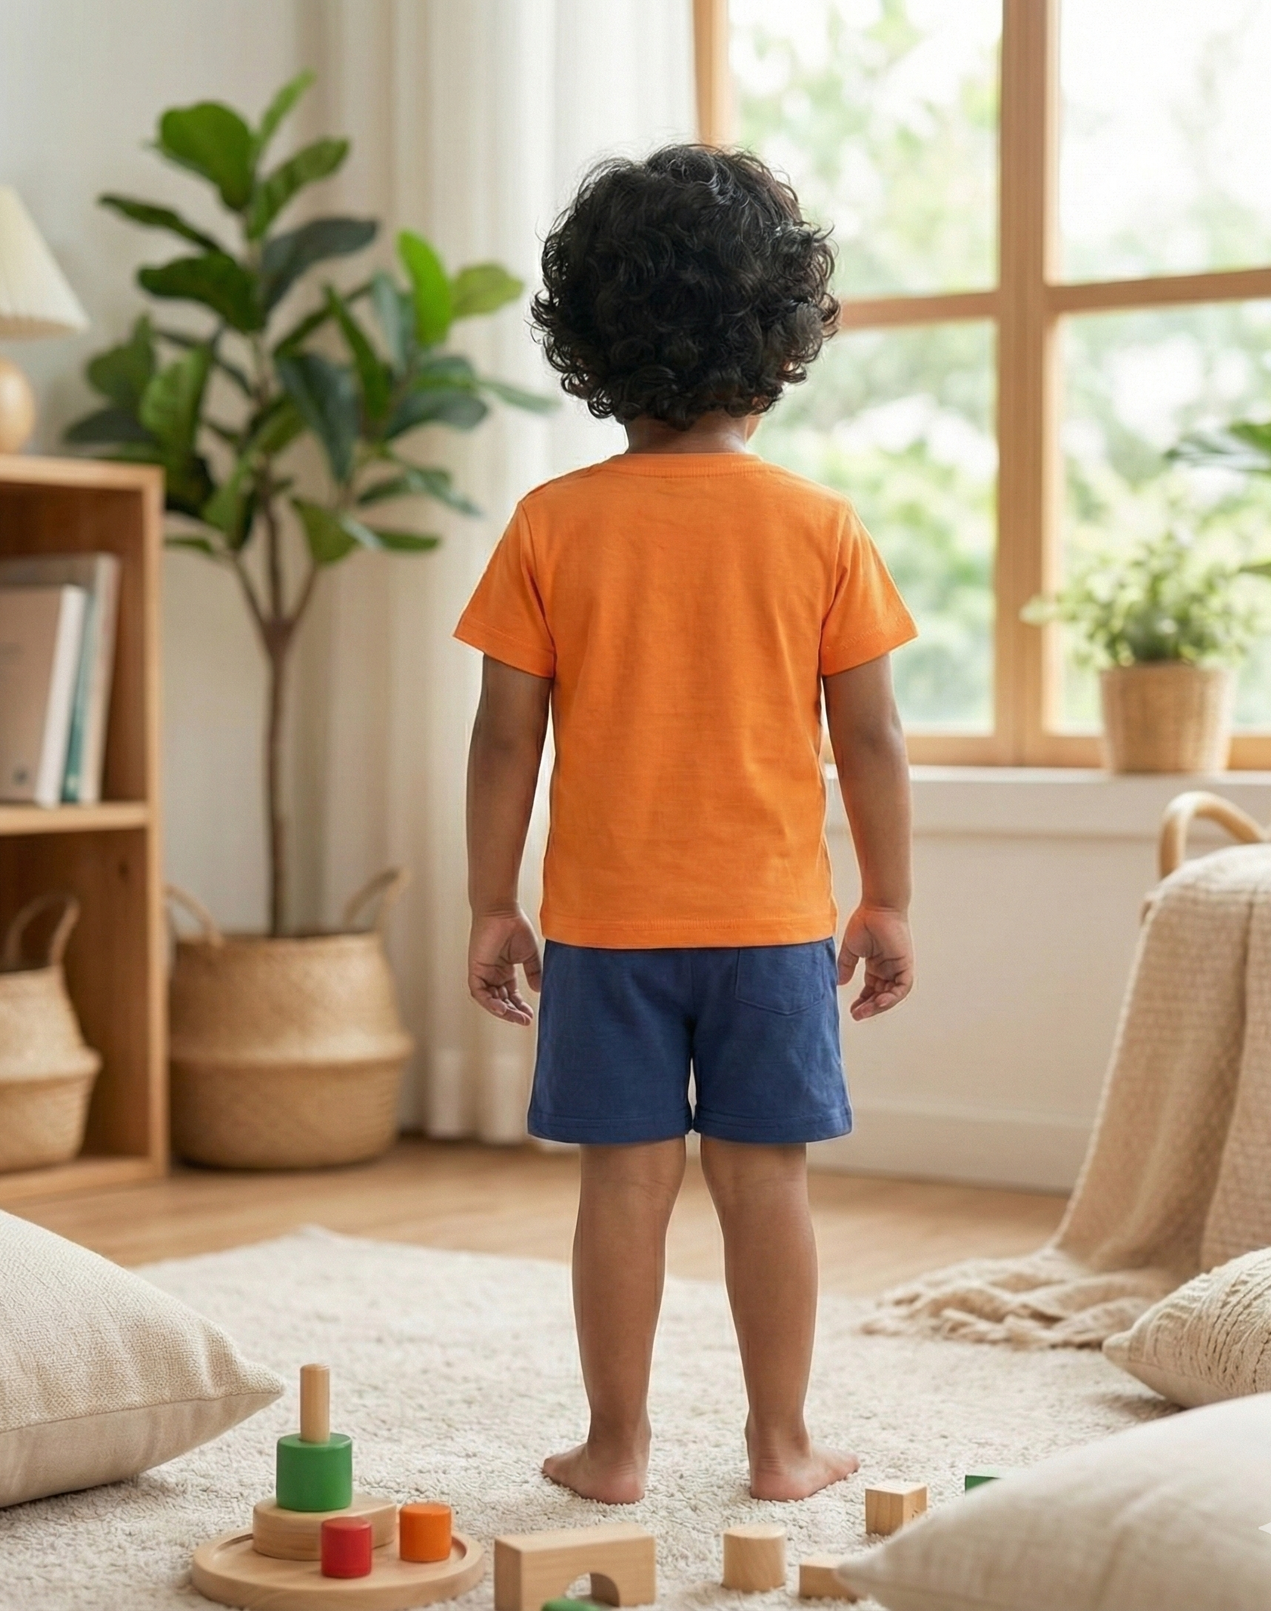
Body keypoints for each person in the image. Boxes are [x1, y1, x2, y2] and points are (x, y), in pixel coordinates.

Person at [454, 145, 916, 1505]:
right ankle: (781, 1448)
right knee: (767, 1183)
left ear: (591, 342)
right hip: (772, 927)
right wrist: (886, 894)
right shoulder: (821, 528)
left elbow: (502, 738)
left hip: (607, 928)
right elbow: (874, 738)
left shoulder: (551, 524)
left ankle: (616, 1447)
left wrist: (494, 899)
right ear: (779, 345)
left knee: (623, 1186)